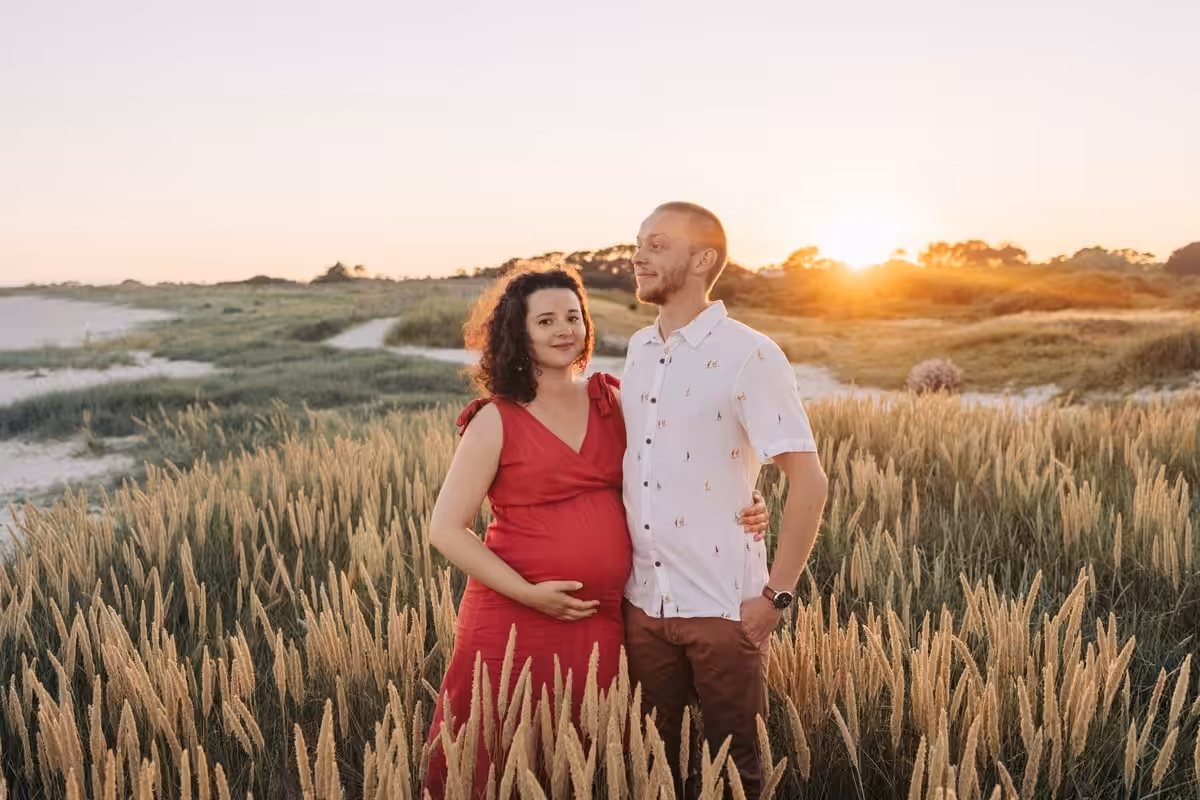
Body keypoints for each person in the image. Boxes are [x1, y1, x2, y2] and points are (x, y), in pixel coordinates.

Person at [422, 265, 770, 798]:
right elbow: (446, 530)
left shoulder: (614, 400)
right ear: (520, 332)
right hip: (513, 618)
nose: (565, 330)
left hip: (601, 615)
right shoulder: (496, 418)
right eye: (546, 321)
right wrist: (531, 595)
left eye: (572, 317)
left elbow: (679, 464)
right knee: (492, 748)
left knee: (583, 754)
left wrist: (744, 501)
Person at [620, 201, 829, 798]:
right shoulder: (638, 350)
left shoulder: (751, 354)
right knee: (650, 769)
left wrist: (776, 597)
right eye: (639, 242)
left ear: (702, 258)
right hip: (642, 605)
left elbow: (809, 482)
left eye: (657, 244)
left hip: (721, 606)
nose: (638, 254)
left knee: (737, 774)